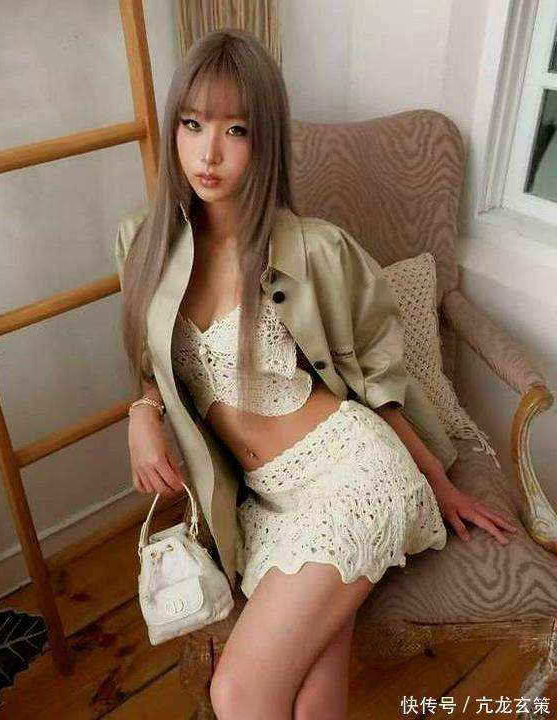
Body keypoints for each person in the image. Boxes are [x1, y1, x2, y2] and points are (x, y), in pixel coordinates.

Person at [116, 28, 517, 720]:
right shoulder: (144, 244)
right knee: (308, 699)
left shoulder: (315, 249)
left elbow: (378, 383)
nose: (208, 153)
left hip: (352, 473)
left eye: (236, 130)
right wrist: (142, 413)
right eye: (192, 124)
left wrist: (440, 482)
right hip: (265, 504)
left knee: (239, 693)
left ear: (265, 140)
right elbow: (155, 361)